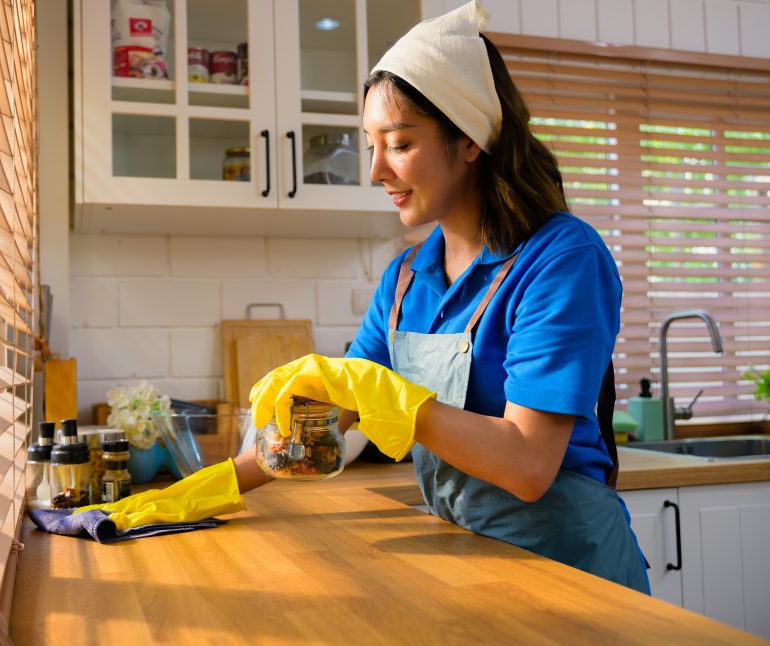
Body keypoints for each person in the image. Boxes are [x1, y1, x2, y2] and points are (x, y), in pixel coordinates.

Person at [238, 0, 650, 594]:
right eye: (370, 144)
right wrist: (203, 490)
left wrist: (394, 399)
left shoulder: (562, 258)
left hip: (573, 573)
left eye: (399, 143)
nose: (375, 170)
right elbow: (333, 417)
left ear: (469, 141)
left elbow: (528, 465)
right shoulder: (406, 277)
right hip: (472, 563)